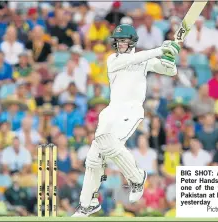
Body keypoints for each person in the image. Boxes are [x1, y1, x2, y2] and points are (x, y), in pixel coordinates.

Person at [72, 24, 180, 216]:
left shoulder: (144, 60)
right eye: (118, 41)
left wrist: (170, 55)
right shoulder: (113, 59)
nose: (120, 44)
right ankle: (87, 203)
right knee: (93, 158)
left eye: (124, 40)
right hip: (112, 110)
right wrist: (159, 49)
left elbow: (170, 71)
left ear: (132, 42)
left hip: (131, 110)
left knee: (108, 144)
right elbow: (135, 59)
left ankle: (137, 178)